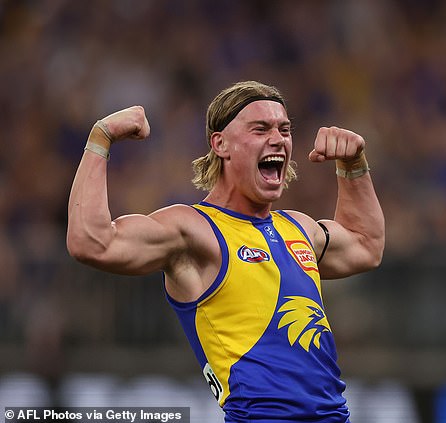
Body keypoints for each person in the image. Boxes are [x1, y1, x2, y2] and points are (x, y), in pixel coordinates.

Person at [67, 81, 385, 422]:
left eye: (285, 129)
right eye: (260, 129)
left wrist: (353, 166)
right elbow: (91, 242)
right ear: (220, 143)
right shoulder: (193, 230)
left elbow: (366, 244)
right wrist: (100, 138)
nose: (277, 139)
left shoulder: (298, 228)